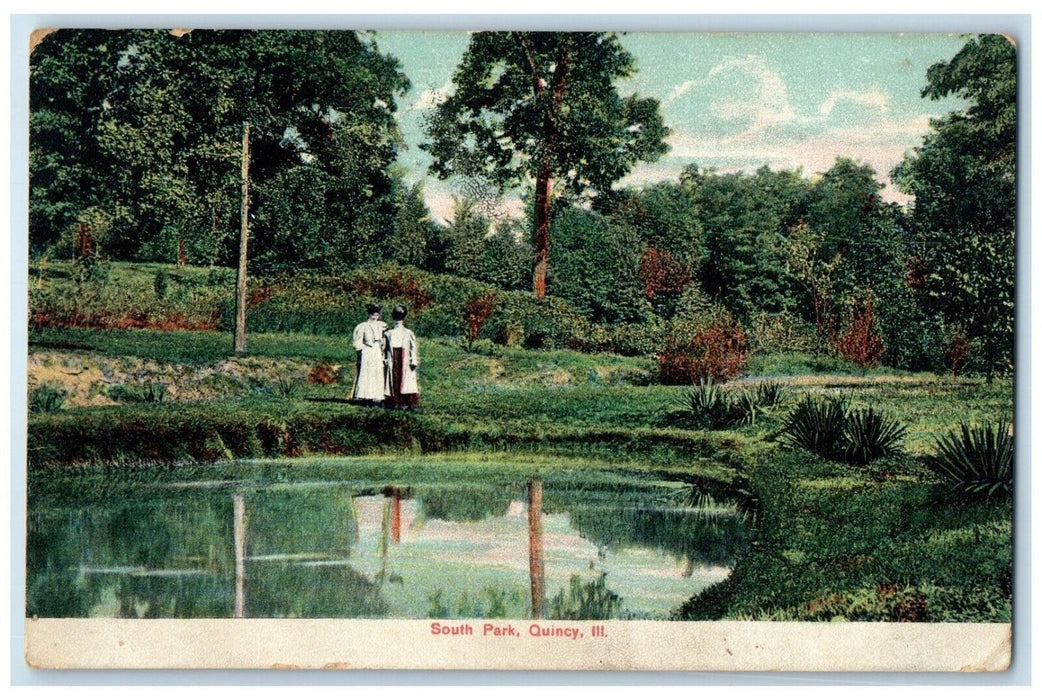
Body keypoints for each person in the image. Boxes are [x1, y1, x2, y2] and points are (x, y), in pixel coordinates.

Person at [382, 305, 420, 409]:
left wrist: (413, 359)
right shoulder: (388, 333)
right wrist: (384, 359)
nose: (398, 321)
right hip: (393, 357)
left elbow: (413, 347)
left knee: (406, 380)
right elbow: (384, 348)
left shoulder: (408, 333)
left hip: (404, 358)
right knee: (393, 379)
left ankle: (407, 403)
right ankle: (394, 402)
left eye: (400, 319)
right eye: (396, 319)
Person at [351, 304, 388, 405]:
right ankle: (366, 396)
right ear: (369, 315)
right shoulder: (362, 326)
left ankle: (377, 396)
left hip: (377, 351)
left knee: (377, 372)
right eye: (373, 315)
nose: (375, 317)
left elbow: (384, 338)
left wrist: (383, 348)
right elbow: (357, 341)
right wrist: (362, 350)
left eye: (377, 315)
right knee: (367, 373)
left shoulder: (382, 325)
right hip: (367, 351)